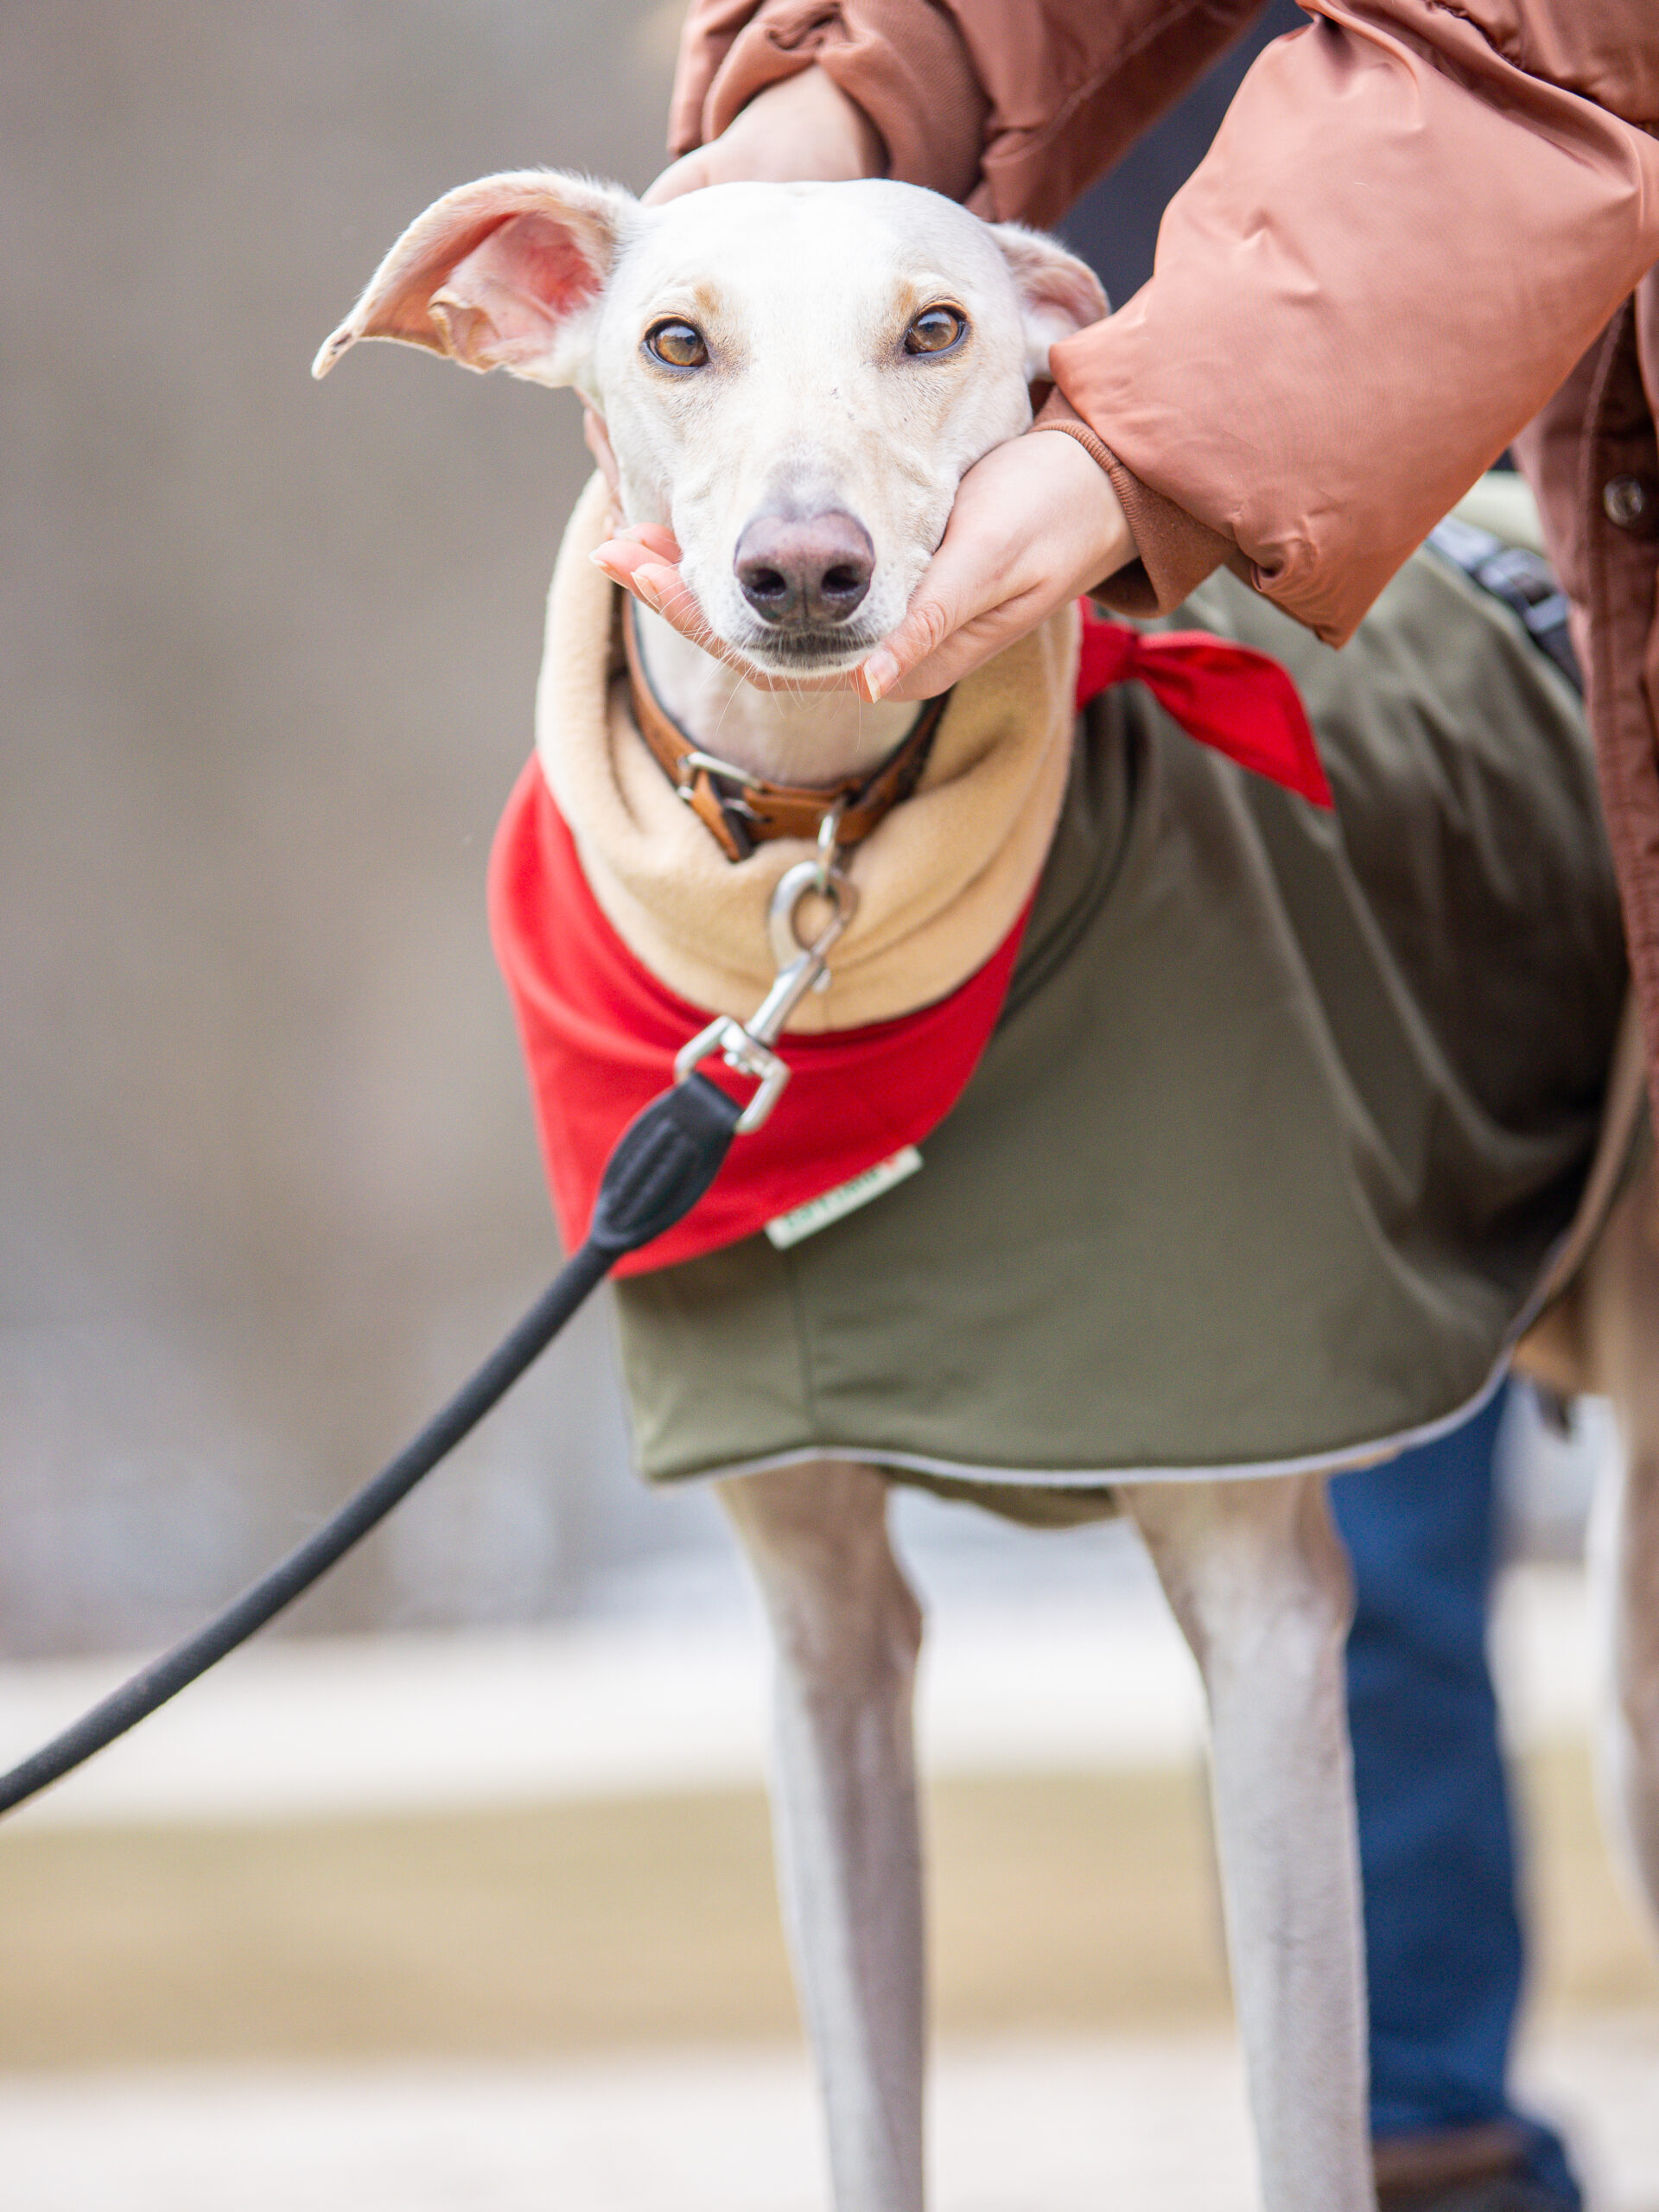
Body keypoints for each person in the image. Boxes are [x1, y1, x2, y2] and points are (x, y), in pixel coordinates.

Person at [588, 10, 1659, 2206]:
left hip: (1316, 446)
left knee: (1333, 1482)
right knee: (1352, 1502)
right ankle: (1433, 2131)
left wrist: (1137, 451)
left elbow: (1535, 57)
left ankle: (1420, 2136)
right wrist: (845, 86)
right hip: (1191, 391)